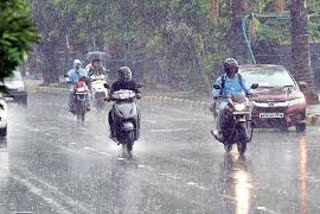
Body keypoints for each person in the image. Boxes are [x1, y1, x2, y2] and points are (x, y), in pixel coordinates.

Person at [211, 58, 251, 141]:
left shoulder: (240, 78)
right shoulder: (221, 79)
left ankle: (247, 129)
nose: (232, 71)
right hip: (225, 101)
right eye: (230, 69)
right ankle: (219, 131)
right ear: (227, 69)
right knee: (222, 109)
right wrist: (216, 94)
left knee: (248, 108)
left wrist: (250, 92)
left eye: (234, 68)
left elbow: (246, 87)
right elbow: (215, 90)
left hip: (238, 101)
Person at [108, 66, 141, 140]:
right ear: (120, 76)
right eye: (124, 75)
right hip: (119, 103)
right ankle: (112, 132)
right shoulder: (116, 84)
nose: (126, 76)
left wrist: (139, 94)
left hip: (130, 103)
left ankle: (137, 130)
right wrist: (109, 97)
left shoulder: (132, 83)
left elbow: (137, 91)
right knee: (110, 113)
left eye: (128, 74)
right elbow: (111, 93)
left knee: (138, 111)